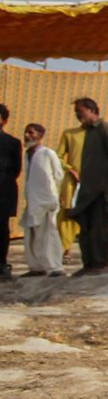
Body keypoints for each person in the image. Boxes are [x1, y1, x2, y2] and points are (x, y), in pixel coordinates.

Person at [64, 98, 108, 276]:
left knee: (100, 226)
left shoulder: (105, 129)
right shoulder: (89, 132)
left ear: (91, 110)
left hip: (102, 188)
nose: (77, 116)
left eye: (80, 112)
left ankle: (100, 262)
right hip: (88, 189)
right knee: (86, 226)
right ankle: (88, 263)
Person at [21, 124, 65, 277]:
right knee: (32, 235)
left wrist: (57, 196)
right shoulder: (28, 155)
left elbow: (59, 175)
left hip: (47, 200)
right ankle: (36, 267)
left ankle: (55, 267)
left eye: (31, 132)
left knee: (49, 234)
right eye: (26, 132)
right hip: (32, 201)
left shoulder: (48, 153)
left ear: (40, 135)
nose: (27, 135)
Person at [56, 114, 85, 252]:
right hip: (72, 181)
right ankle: (65, 250)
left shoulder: (99, 136)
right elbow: (58, 156)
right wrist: (70, 169)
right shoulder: (69, 134)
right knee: (68, 213)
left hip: (91, 181)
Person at [0, 105, 19, 280]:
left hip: (3, 191)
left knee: (2, 228)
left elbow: (16, 170)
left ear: (4, 120)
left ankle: (2, 263)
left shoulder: (13, 143)